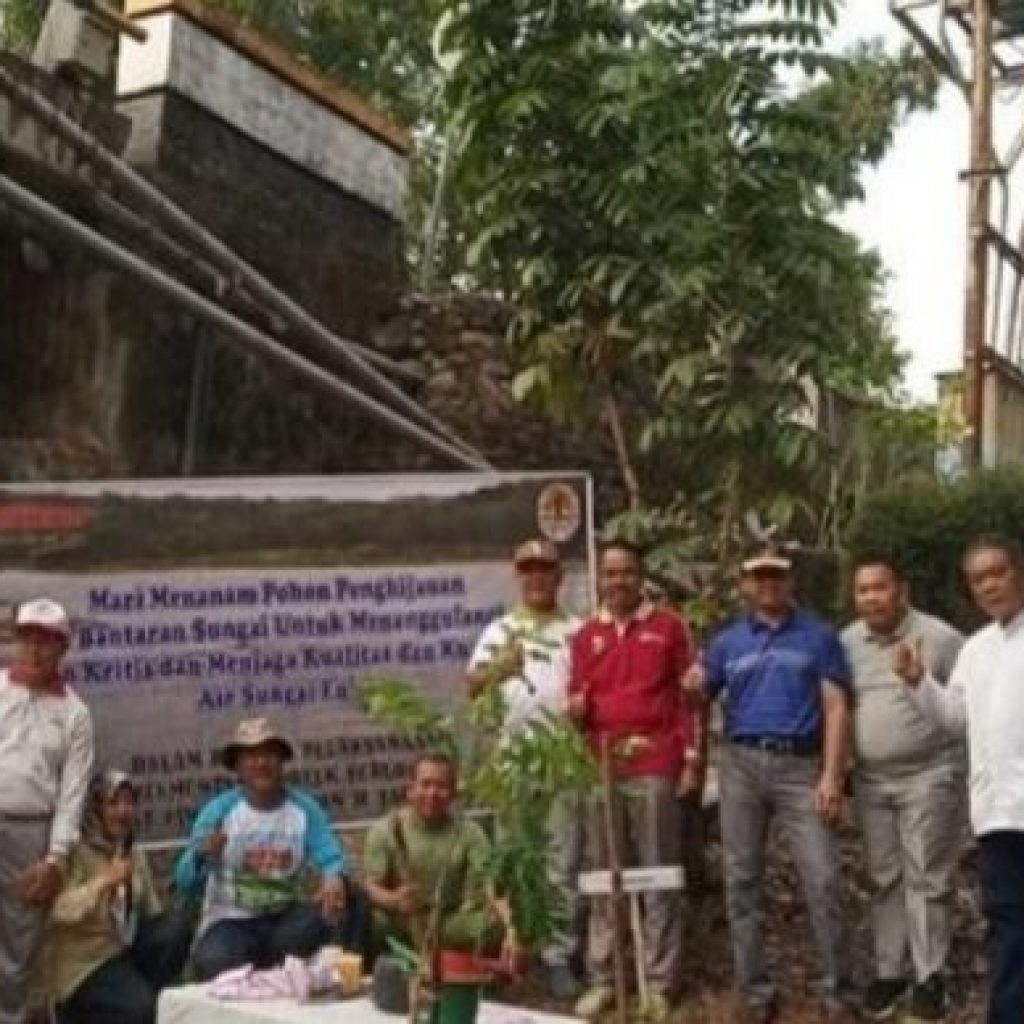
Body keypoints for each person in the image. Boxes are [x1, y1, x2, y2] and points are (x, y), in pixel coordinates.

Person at [685, 545, 855, 1024]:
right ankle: (756, 992)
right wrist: (694, 684)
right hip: (739, 763)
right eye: (759, 577)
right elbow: (701, 697)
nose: (768, 585)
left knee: (821, 879)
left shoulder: (818, 637)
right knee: (742, 881)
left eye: (776, 577)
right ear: (746, 585)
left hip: (801, 766)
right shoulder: (727, 642)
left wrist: (832, 775)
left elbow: (837, 707)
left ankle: (838, 993)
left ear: (790, 582)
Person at [569, 540, 705, 1023]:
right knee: (605, 874)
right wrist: (576, 714)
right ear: (599, 579)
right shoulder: (587, 636)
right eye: (610, 574)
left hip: (656, 763)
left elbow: (691, 700)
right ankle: (604, 978)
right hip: (601, 767)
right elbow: (578, 704)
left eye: (627, 573)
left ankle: (659, 983)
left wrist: (691, 761)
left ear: (640, 576)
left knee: (659, 872)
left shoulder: (669, 628)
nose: (618, 581)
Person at [892, 534, 1024, 1024]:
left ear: (1019, 572)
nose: (989, 585)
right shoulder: (976, 650)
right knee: (1009, 924)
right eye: (978, 579)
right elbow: (953, 718)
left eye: (998, 572)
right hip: (997, 814)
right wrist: (917, 682)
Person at [842, 555, 965, 1022]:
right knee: (883, 877)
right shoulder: (847, 642)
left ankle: (931, 975)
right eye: (862, 590)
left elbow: (962, 706)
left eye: (880, 587)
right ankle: (890, 971)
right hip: (871, 781)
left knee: (927, 876)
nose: (871, 597)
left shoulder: (942, 639)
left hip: (929, 775)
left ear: (902, 590)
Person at [466, 537, 581, 999]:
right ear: (518, 575)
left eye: (545, 569)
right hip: (512, 760)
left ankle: (558, 955)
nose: (536, 577)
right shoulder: (499, 630)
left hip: (564, 760)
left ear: (560, 576)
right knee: (513, 859)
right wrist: (502, 668)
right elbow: (472, 685)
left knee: (560, 856)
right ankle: (515, 949)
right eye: (528, 569)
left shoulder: (578, 630)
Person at [175, 717, 350, 980]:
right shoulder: (219, 812)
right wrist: (202, 854)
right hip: (232, 921)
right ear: (238, 767)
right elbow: (184, 880)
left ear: (282, 762)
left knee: (350, 901)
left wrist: (334, 877)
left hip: (285, 921)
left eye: (269, 755)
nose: (261, 763)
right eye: (251, 756)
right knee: (213, 960)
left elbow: (331, 855)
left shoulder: (304, 809)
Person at [35, 770, 193, 1024]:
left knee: (174, 927)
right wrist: (103, 882)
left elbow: (152, 914)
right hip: (86, 963)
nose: (123, 811)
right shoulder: (74, 853)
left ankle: (148, 999)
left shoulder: (132, 853)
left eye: (129, 802)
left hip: (123, 952)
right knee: (140, 1007)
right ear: (95, 809)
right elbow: (60, 911)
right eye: (113, 803)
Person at [0, 598, 94, 1024]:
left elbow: (73, 794)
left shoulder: (75, 714)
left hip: (30, 835)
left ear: (62, 649)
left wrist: (56, 858)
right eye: (28, 639)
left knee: (18, 949)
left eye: (47, 642)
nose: (35, 650)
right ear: (14, 642)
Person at [362, 752, 516, 964]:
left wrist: (510, 929)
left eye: (441, 786)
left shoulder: (469, 833)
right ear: (410, 790)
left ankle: (453, 966)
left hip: (449, 923)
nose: (432, 793)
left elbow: (492, 887)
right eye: (425, 784)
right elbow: (370, 888)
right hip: (402, 922)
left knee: (492, 923)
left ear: (453, 793)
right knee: (370, 919)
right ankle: (397, 966)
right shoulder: (386, 830)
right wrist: (395, 900)